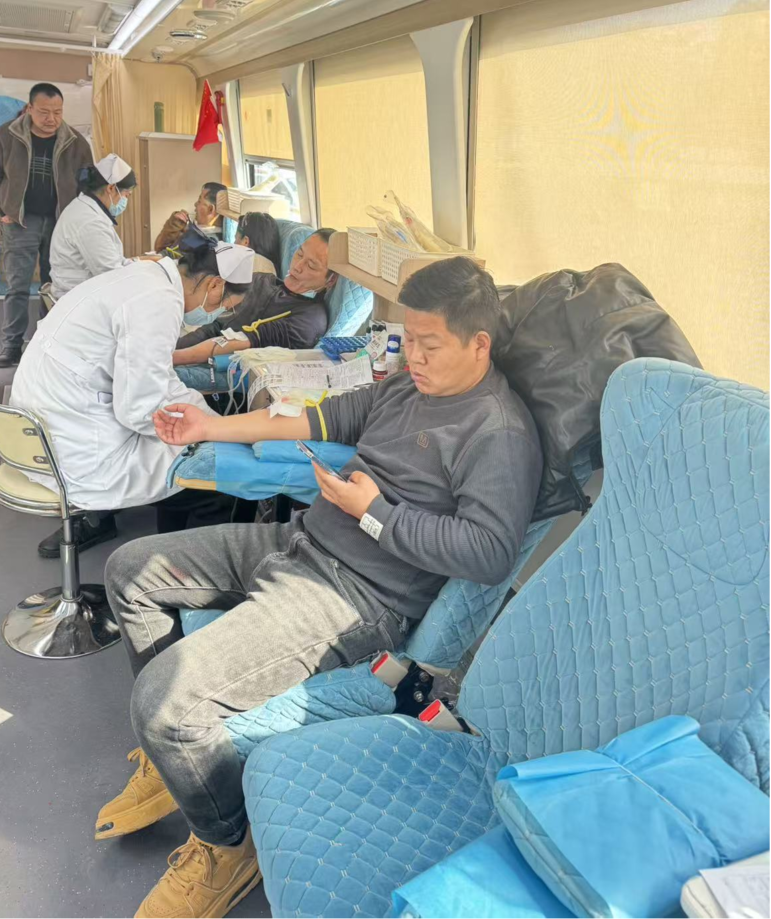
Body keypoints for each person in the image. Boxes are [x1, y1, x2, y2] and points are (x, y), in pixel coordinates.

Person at [97, 256, 544, 919]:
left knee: (165, 705)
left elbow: (489, 552)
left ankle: (227, 843)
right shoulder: (406, 387)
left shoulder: (497, 432)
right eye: (410, 340)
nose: (413, 357)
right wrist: (207, 427)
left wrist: (376, 513)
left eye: (430, 345)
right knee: (131, 571)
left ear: (478, 344)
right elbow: (317, 421)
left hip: (353, 596)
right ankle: (181, 760)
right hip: (298, 543)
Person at [10, 240, 256, 557]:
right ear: (215, 285)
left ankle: (163, 549)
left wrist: (208, 416)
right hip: (76, 450)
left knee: (191, 445)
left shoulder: (142, 277)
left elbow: (156, 377)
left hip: (37, 429)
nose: (220, 314)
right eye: (226, 306)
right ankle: (183, 569)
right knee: (216, 472)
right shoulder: (158, 302)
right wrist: (216, 428)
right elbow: (139, 409)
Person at [0, 82, 93, 368]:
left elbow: (88, 184)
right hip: (20, 222)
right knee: (17, 286)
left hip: (60, 224)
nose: (51, 119)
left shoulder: (76, 142)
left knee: (55, 285)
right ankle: (11, 346)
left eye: (57, 112)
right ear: (29, 108)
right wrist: (2, 209)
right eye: (44, 112)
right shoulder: (6, 135)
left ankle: (49, 341)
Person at [173, 228, 336, 391]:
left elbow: (242, 343)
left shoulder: (310, 319)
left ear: (330, 280)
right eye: (299, 254)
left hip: (236, 377)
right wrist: (173, 348)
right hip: (207, 352)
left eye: (311, 266)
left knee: (170, 377)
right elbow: (217, 327)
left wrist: (174, 358)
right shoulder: (263, 281)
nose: (297, 267)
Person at [49, 154, 137, 299]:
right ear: (111, 188)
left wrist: (140, 263)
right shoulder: (90, 222)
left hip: (82, 292)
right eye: (126, 195)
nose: (125, 200)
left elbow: (113, 261)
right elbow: (112, 274)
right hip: (80, 299)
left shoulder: (85, 207)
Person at [154, 181, 225, 254]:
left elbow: (164, 255)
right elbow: (160, 249)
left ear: (210, 209)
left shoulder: (209, 244)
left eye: (199, 201)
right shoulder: (195, 230)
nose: (195, 204)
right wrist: (174, 225)